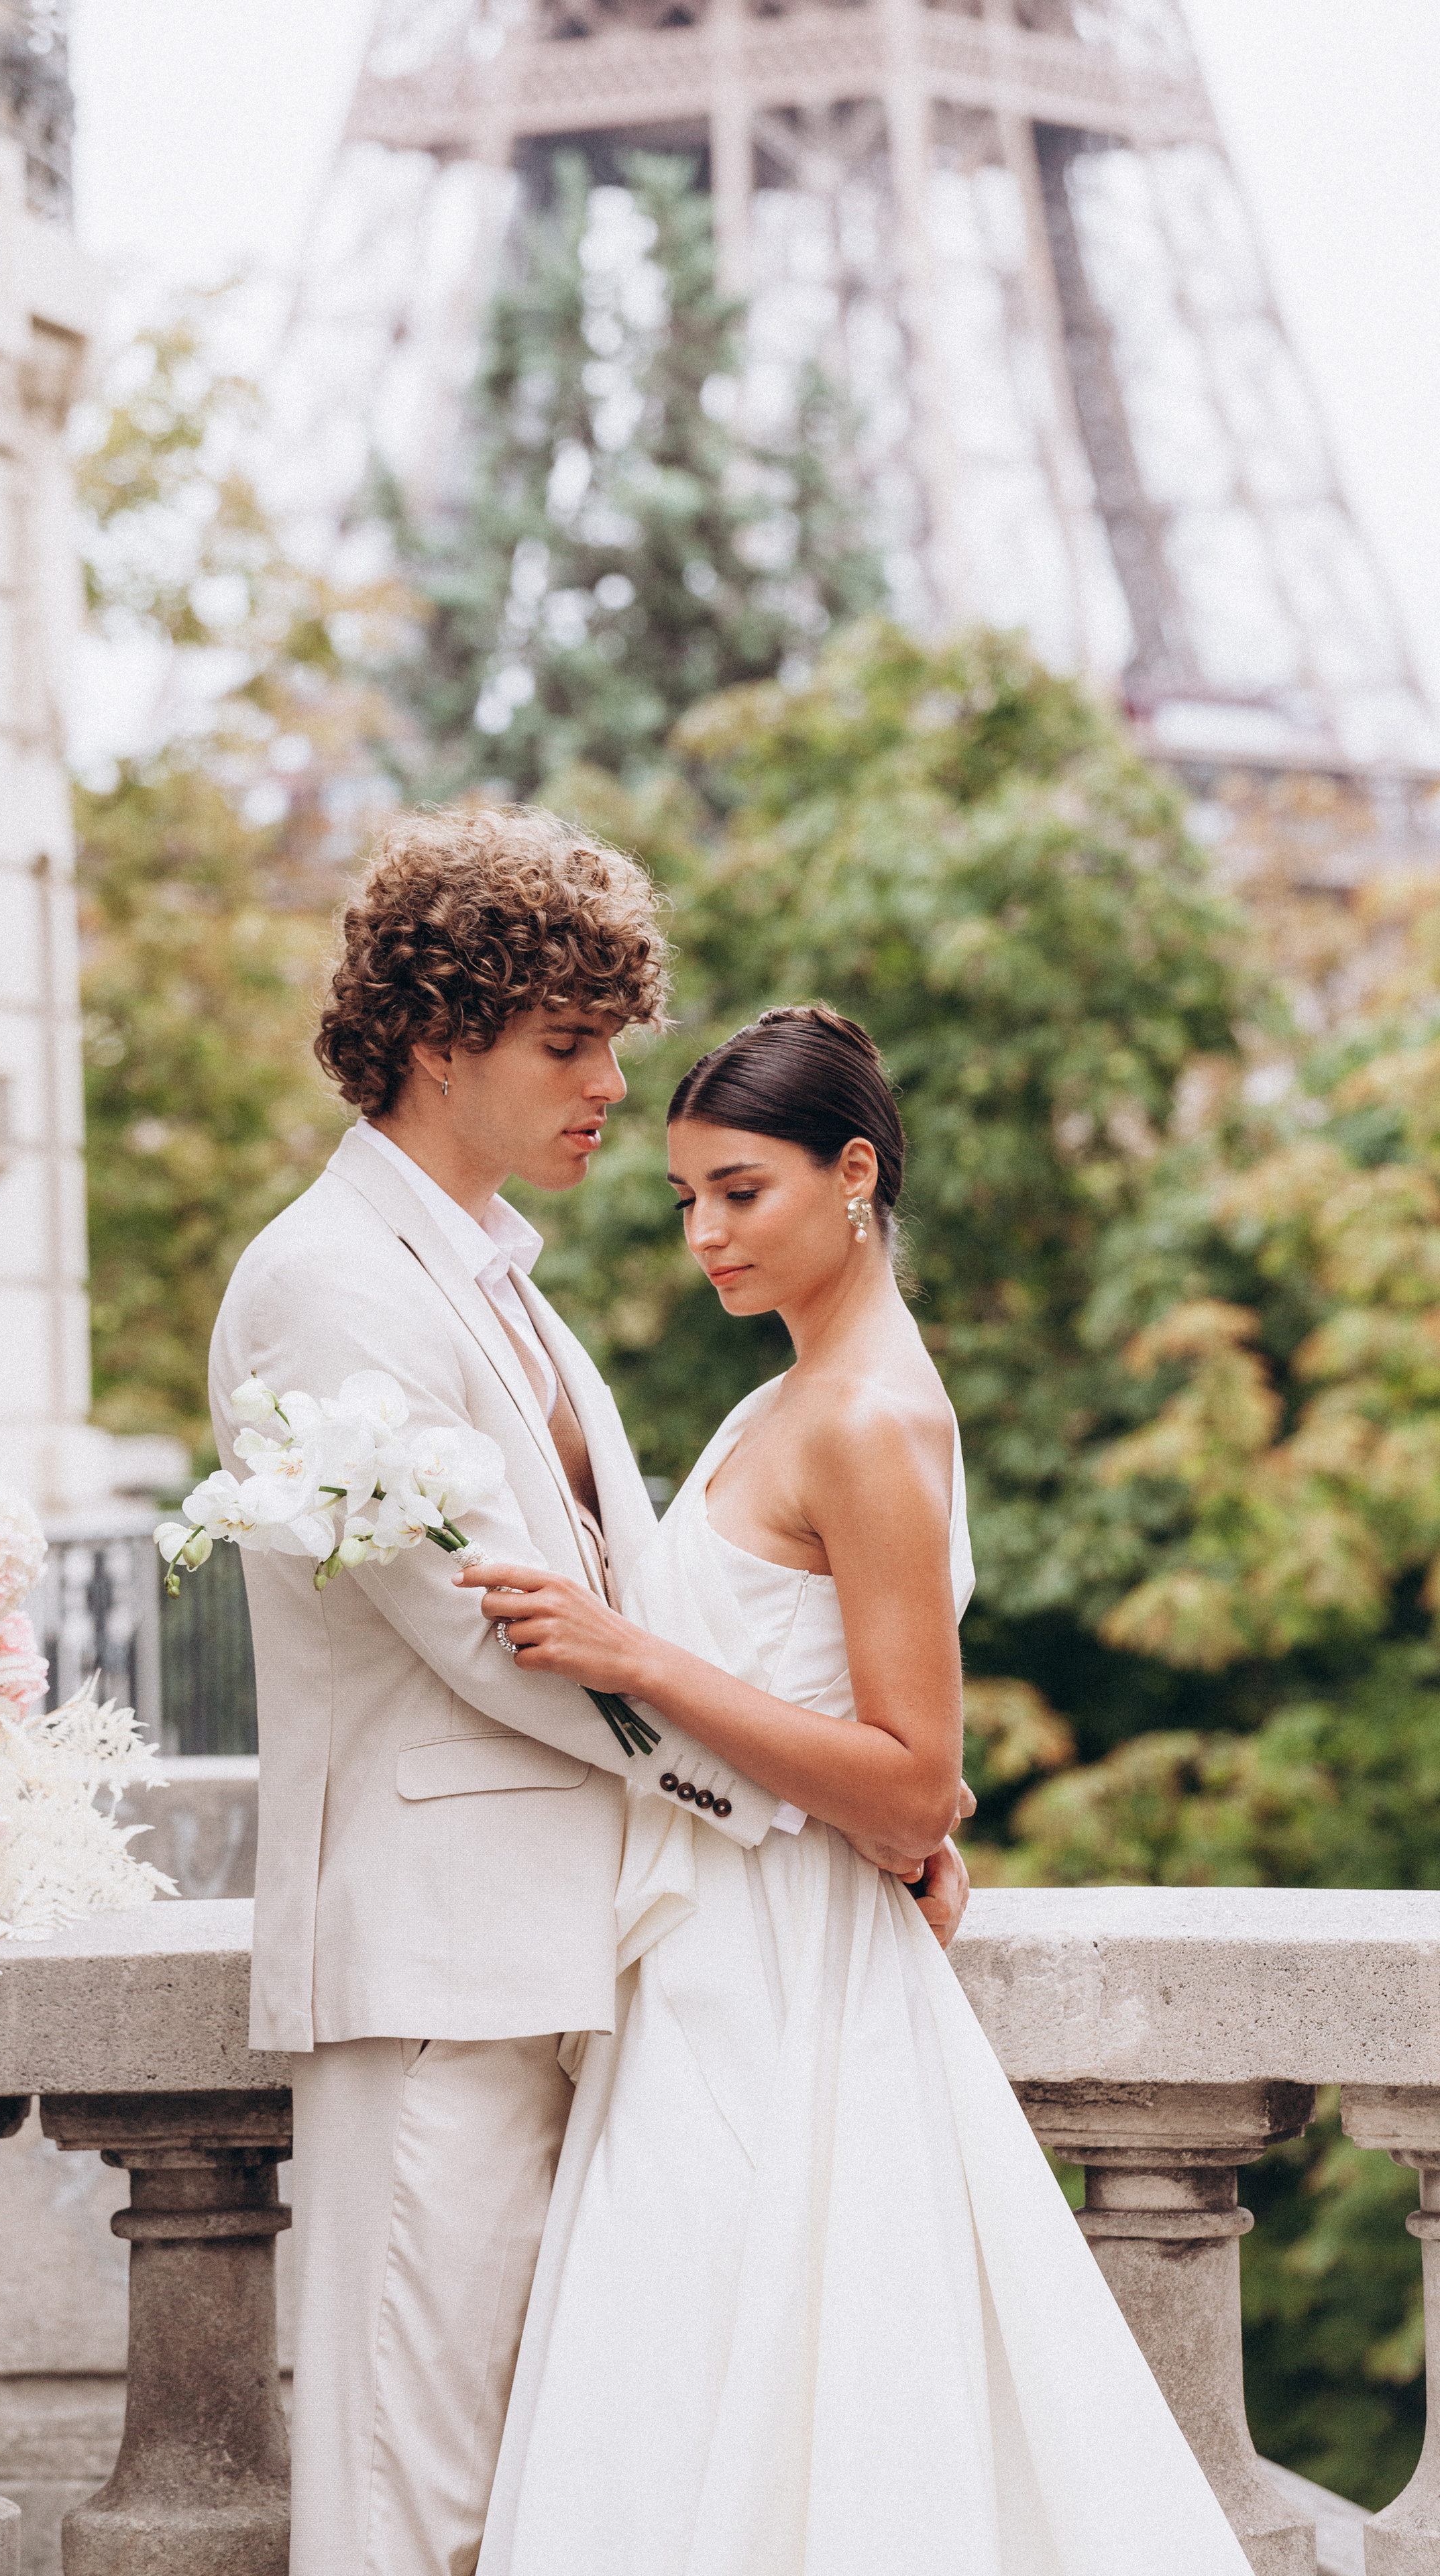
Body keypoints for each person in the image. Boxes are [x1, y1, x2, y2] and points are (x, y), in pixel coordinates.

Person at [208, 818, 969, 2576]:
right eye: (570, 1042)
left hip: (591, 1966)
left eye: (615, 1039)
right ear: (435, 1033)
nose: (614, 1086)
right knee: (425, 2509)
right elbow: (503, 1640)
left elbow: (633, 1605)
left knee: (561, 2510)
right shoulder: (326, 1285)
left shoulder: (504, 1286)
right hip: (439, 1981)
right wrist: (822, 1802)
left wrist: (865, 1787)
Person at [464, 1006, 1256, 2576]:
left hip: (784, 1987)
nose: (703, 1233)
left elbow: (914, 1788)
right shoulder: (792, 1396)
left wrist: (636, 1657)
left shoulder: (872, 1417)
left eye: (737, 1192)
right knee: (683, 2409)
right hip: (715, 1961)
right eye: (683, 1196)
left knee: (770, 2403)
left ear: (850, 1174)